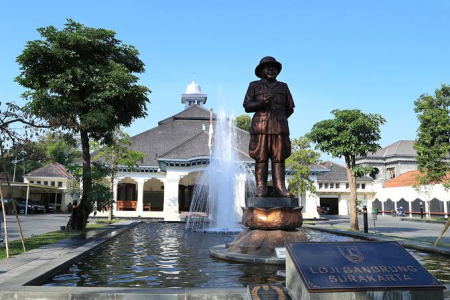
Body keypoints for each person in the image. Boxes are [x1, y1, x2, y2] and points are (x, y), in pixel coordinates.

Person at [243, 56, 295, 197]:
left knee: (279, 158)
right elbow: (247, 106)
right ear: (261, 71)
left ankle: (279, 187)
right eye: (267, 67)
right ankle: (261, 188)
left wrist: (279, 118)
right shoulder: (254, 85)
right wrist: (260, 104)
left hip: (280, 127)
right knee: (261, 157)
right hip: (261, 127)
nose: (271, 69)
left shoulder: (283, 87)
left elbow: (290, 108)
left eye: (274, 67)